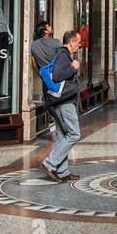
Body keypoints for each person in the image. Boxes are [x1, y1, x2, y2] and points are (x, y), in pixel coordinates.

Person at [42, 30, 83, 183]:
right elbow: (58, 75)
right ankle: (50, 163)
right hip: (64, 103)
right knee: (74, 134)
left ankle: (62, 171)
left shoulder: (63, 55)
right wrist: (73, 67)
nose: (80, 45)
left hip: (61, 102)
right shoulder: (63, 55)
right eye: (78, 42)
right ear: (72, 42)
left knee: (62, 136)